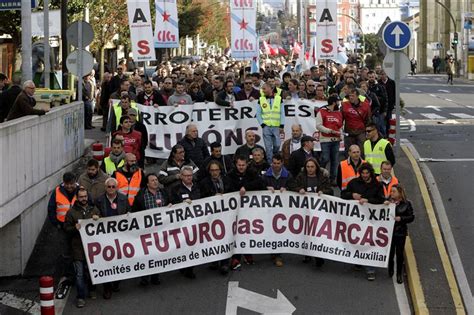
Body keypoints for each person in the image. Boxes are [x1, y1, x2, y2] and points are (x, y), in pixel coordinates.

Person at [341, 163, 384, 281]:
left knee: (368, 243)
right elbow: (343, 194)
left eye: (367, 173)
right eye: (363, 173)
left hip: (371, 221)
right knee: (356, 240)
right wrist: (352, 195)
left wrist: (368, 200)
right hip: (355, 220)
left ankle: (370, 269)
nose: (365, 175)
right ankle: (358, 262)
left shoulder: (377, 185)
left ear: (371, 173)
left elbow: (381, 200)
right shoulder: (353, 183)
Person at [288, 158, 332, 267]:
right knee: (307, 232)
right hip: (305, 210)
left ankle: (318, 256)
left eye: (312, 167)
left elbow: (330, 190)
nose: (310, 169)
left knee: (317, 233)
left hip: (319, 210)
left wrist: (323, 191)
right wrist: (299, 189)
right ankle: (308, 253)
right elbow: (292, 185)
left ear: (316, 167)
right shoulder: (301, 176)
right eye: (308, 167)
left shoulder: (322, 177)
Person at [224, 156, 265, 269]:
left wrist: (246, 187)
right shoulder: (230, 174)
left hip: (249, 210)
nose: (241, 167)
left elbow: (260, 182)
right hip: (234, 210)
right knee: (236, 232)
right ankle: (236, 258)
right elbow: (228, 188)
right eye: (239, 165)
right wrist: (239, 189)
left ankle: (247, 254)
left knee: (247, 231)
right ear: (236, 165)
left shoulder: (252, 173)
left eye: (243, 165)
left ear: (247, 164)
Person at [64, 187, 100, 308]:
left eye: (85, 196)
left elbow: (102, 225)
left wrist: (98, 219)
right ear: (77, 197)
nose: (83, 199)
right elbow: (66, 229)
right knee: (79, 274)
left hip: (92, 249)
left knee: (91, 271)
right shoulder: (71, 212)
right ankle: (80, 297)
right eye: (81, 197)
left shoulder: (94, 209)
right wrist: (75, 228)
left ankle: (92, 290)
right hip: (77, 248)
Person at [95, 178, 131, 299]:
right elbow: (95, 215)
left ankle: (116, 282)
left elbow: (129, 212)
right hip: (105, 237)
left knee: (119, 260)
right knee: (107, 262)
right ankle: (107, 287)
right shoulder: (99, 200)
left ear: (117, 187)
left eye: (113, 187)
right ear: (105, 188)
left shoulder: (123, 198)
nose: (111, 189)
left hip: (120, 236)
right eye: (108, 187)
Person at [132, 173, 169, 285]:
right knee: (146, 253)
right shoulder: (141, 195)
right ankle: (144, 277)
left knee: (157, 253)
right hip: (146, 230)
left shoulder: (163, 192)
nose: (155, 182)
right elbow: (135, 211)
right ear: (147, 183)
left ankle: (155, 276)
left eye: (156, 180)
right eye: (152, 180)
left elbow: (170, 203)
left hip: (161, 229)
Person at [47, 172, 79, 299]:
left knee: (78, 251)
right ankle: (70, 275)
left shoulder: (80, 190)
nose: (70, 187)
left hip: (77, 227)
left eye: (71, 184)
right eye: (67, 184)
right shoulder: (57, 192)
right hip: (63, 228)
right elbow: (51, 209)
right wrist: (57, 224)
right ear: (63, 183)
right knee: (66, 253)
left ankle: (80, 274)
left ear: (75, 182)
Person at [198, 161, 231, 275]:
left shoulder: (227, 180)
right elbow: (201, 198)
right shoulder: (204, 183)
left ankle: (224, 263)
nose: (214, 173)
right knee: (213, 238)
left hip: (226, 214)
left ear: (220, 170)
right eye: (212, 170)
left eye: (216, 170)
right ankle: (214, 260)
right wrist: (212, 197)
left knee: (225, 238)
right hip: (211, 216)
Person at [169, 166, 201, 279]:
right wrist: (181, 203)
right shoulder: (175, 188)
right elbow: (171, 203)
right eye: (186, 176)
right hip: (182, 223)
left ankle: (190, 267)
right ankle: (185, 266)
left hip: (197, 221)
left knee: (194, 245)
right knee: (184, 245)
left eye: (190, 175)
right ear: (181, 176)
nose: (189, 178)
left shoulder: (198, 186)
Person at [263, 153, 293, 267]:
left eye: (278, 163)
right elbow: (259, 186)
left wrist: (287, 189)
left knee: (279, 230)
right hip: (268, 209)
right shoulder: (266, 175)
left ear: (282, 163)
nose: (276, 165)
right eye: (274, 163)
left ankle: (278, 254)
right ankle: (272, 250)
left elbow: (293, 186)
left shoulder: (288, 175)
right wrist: (265, 188)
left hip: (282, 210)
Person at [388, 185, 415, 284]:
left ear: (400, 192)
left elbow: (411, 217)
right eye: (391, 191)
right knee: (390, 253)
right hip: (389, 232)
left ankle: (399, 273)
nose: (392, 193)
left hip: (400, 232)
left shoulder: (407, 204)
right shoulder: (388, 202)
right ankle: (390, 268)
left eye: (394, 191)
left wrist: (401, 219)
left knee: (399, 254)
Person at [316, 96, 343, 186]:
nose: (339, 104)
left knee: (335, 160)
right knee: (325, 158)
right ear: (334, 103)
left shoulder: (339, 113)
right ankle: (319, 175)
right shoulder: (322, 112)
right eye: (338, 102)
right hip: (326, 139)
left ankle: (332, 179)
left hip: (336, 140)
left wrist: (341, 135)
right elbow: (318, 126)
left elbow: (341, 126)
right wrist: (329, 131)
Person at [257, 82, 285, 163]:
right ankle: (270, 165)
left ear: (270, 88)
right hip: (266, 127)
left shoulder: (278, 98)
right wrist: (262, 124)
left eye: (264, 88)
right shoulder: (261, 99)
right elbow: (258, 113)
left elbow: (282, 112)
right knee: (268, 148)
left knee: (277, 145)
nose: (263, 90)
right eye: (262, 89)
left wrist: (282, 125)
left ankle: (275, 159)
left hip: (276, 127)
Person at [341, 88, 371, 155]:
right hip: (349, 132)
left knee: (361, 152)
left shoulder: (365, 106)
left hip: (361, 132)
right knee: (348, 152)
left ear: (357, 96)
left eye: (353, 96)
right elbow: (340, 118)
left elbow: (368, 119)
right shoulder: (344, 105)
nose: (351, 97)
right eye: (350, 96)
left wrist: (368, 132)